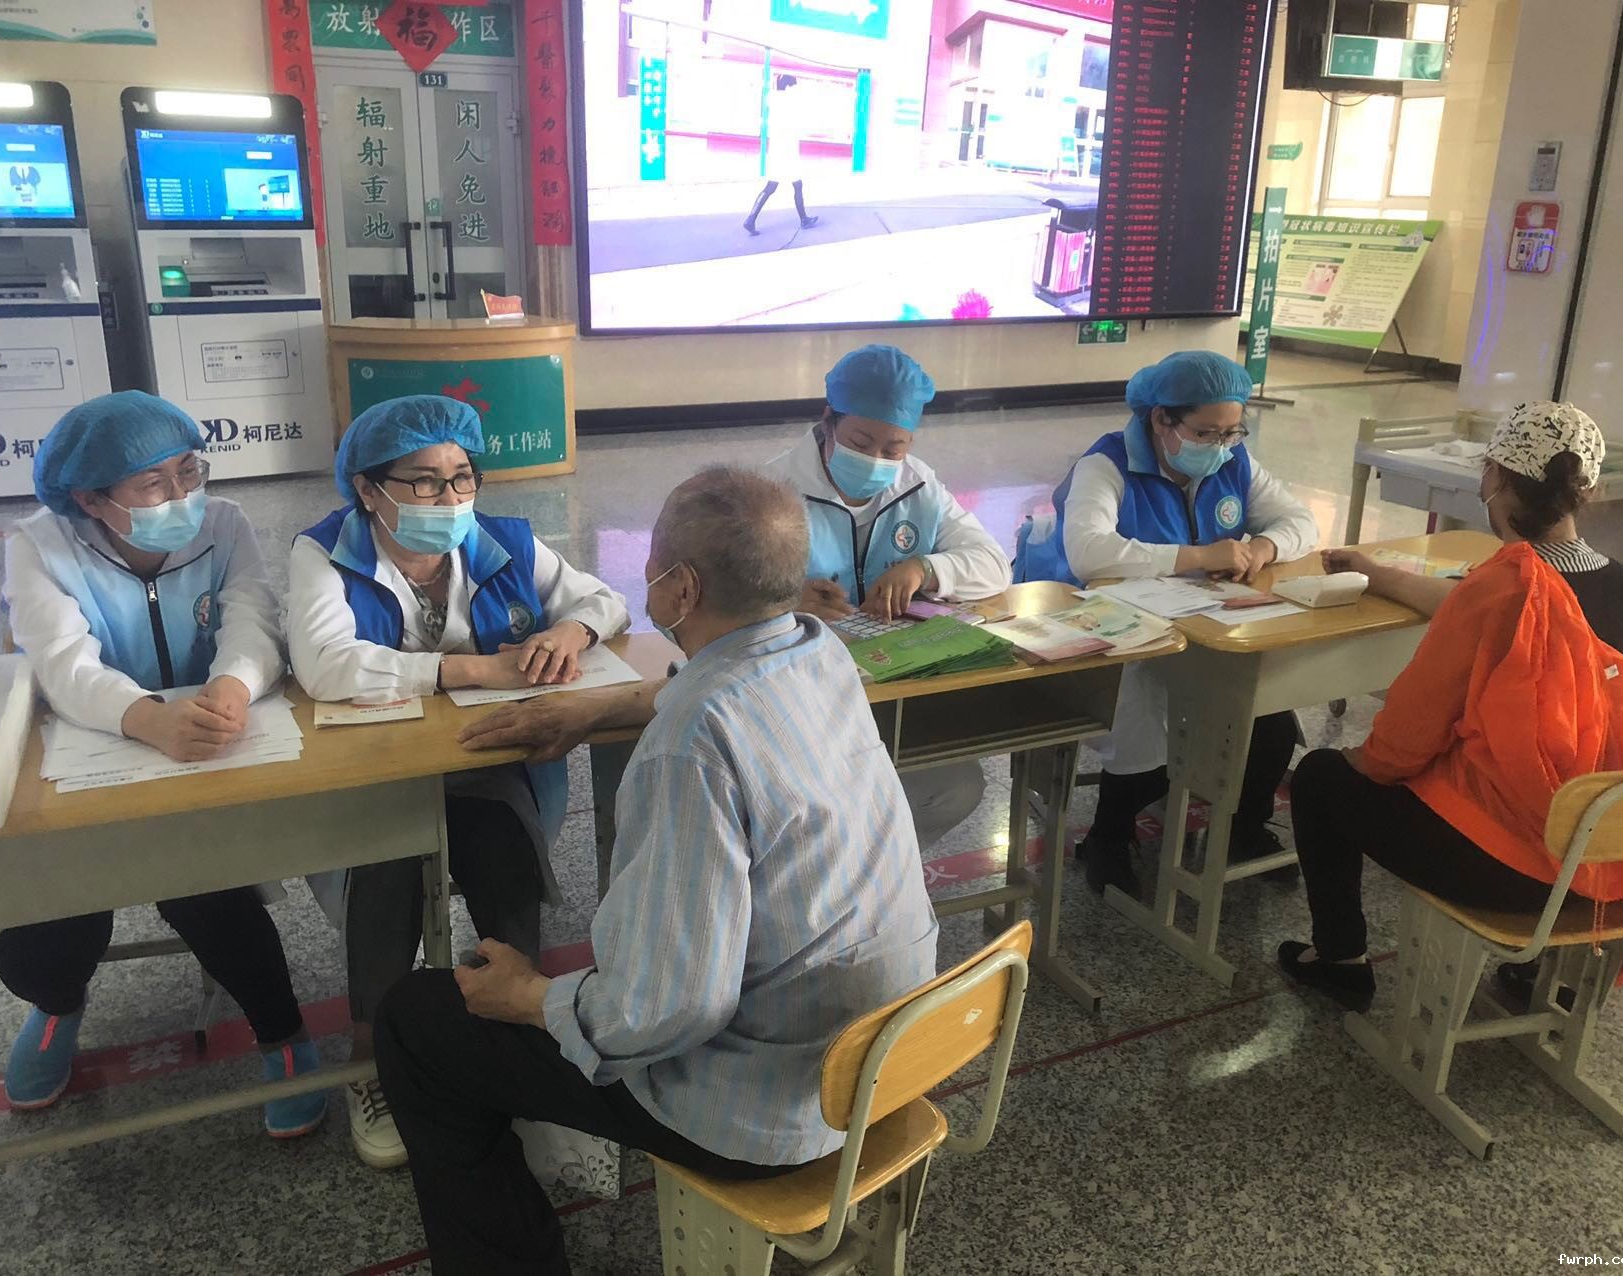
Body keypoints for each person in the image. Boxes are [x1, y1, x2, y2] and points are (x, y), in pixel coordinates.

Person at [374, 466, 940, 1274]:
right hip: (882, 1059)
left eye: (652, 562)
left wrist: (532, 998)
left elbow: (670, 1009)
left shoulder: (689, 750)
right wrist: (597, 709)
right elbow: (706, 684)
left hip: (760, 1112)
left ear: (680, 589)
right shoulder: (821, 653)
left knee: (418, 1021)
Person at [286, 394, 627, 1170]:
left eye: (462, 477)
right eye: (424, 481)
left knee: (502, 848)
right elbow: (326, 665)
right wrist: (473, 670)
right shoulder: (325, 551)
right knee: (389, 863)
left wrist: (568, 630)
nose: (450, 499)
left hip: (486, 763)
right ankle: (372, 1056)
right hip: (377, 771)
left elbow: (604, 600)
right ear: (367, 488)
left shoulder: (502, 540)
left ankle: (513, 1027)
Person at [0, 390, 323, 1136]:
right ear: (90, 499)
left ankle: (283, 1035)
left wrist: (233, 686)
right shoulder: (39, 545)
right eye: (153, 483)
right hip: (95, 751)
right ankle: (58, 1006)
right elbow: (60, 662)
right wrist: (146, 718)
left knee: (208, 895)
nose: (182, 495)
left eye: (189, 471)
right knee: (49, 936)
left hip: (206, 750)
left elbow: (252, 617)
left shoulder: (224, 522)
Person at [1279, 402, 1623, 1011]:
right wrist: (1377, 574)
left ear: (1497, 477)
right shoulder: (1622, 585)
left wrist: (1359, 767)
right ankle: (1539, 974)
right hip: (1606, 859)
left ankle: (1340, 960)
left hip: (1517, 868)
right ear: (1585, 491)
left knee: (1320, 777)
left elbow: (1402, 741)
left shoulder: (1502, 586)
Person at [1013, 351, 1320, 895]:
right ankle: (1109, 835)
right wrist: (1196, 557)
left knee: (1268, 721)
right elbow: (1089, 551)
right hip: (1107, 625)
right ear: (1161, 419)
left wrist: (1264, 546)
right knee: (1141, 717)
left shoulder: (1233, 462)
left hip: (1200, 622)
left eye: (1232, 432)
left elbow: (1299, 521)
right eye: (1205, 433)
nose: (1221, 446)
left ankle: (1244, 827)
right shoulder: (1107, 464)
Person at [766, 343, 1010, 849]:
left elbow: (993, 564)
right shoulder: (772, 492)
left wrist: (926, 568)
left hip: (895, 697)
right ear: (828, 421)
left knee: (955, 788)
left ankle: (879, 874)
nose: (877, 460)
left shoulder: (918, 487)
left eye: (893, 449)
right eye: (861, 442)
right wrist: (782, 600)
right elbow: (704, 603)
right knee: (810, 807)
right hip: (800, 704)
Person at [742, 73, 819, 236]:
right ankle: (804, 220)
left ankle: (750, 219)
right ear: (790, 87)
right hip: (788, 151)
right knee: (797, 185)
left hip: (776, 150)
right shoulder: (791, 103)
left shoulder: (773, 100)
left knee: (771, 186)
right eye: (795, 86)